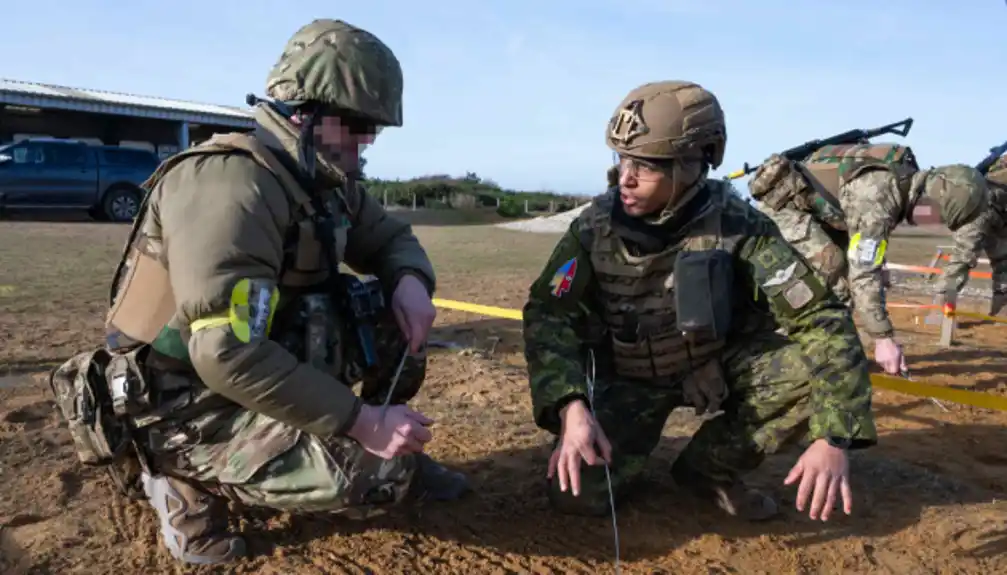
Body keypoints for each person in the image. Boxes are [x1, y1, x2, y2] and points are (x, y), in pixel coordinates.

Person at [48, 19, 468, 566]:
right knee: (378, 478)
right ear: (307, 112)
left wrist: (410, 283)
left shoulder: (317, 178)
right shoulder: (230, 185)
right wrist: (362, 423)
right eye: (361, 125)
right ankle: (178, 474)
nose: (369, 141)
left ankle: (360, 446)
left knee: (389, 324)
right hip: (180, 401)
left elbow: (390, 237)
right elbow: (225, 350)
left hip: (253, 366)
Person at [522, 80, 878, 523]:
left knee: (807, 373)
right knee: (576, 497)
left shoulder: (740, 226)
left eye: (646, 166)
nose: (625, 178)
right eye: (622, 159)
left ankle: (709, 469)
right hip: (627, 378)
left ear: (695, 164)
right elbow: (548, 313)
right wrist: (571, 406)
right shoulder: (592, 229)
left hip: (713, 366)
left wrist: (835, 437)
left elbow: (820, 318)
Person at [747, 147, 988, 375]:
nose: (932, 223)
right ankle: (775, 357)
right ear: (933, 200)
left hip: (822, 213)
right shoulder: (879, 196)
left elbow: (866, 247)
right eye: (938, 217)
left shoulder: (904, 181)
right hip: (781, 209)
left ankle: (826, 351)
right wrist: (883, 338)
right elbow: (864, 272)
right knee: (832, 270)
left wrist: (876, 267)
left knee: (845, 282)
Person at [940, 155, 1007, 316]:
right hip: (981, 210)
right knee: (962, 259)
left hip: (997, 214)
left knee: (1002, 263)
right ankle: (942, 312)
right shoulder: (997, 162)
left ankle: (1000, 313)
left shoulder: (997, 161)